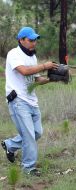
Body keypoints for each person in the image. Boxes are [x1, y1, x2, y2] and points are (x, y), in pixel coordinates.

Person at [1, 26, 58, 176]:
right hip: (18, 100)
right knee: (29, 136)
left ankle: (10, 145)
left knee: (37, 133)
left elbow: (35, 79)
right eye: (31, 40)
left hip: (32, 100)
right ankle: (28, 168)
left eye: (35, 40)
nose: (34, 43)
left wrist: (52, 79)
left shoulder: (32, 57)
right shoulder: (14, 54)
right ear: (21, 40)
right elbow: (24, 71)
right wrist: (45, 66)